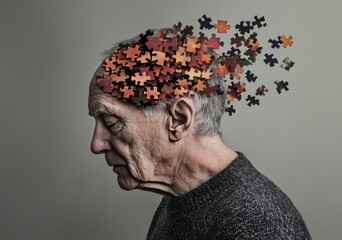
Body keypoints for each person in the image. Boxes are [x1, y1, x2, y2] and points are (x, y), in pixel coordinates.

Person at [88, 27, 312, 239]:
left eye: (111, 121)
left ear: (179, 119)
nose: (96, 144)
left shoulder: (258, 226)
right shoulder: (182, 195)